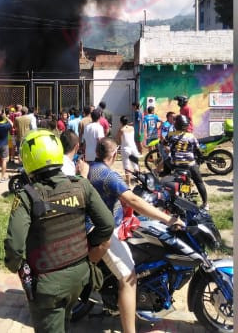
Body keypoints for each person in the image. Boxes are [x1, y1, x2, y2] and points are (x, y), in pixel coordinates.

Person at [4, 130, 114, 333]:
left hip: (48, 284)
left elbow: (14, 246)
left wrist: (16, 266)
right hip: (80, 276)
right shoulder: (81, 185)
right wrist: (86, 245)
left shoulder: (27, 196)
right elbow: (107, 224)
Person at [87, 138, 185, 333]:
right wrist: (168, 219)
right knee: (128, 277)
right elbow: (131, 199)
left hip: (101, 225)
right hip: (100, 231)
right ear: (115, 155)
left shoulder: (91, 167)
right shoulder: (108, 175)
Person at [165, 114, 209, 210]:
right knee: (199, 182)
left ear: (176, 125)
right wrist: (201, 157)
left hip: (176, 165)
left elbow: (164, 143)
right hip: (190, 165)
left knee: (170, 176)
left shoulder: (170, 135)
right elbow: (197, 150)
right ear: (186, 125)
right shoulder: (191, 136)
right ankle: (205, 204)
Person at [116, 116, 140, 188]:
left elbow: (117, 138)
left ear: (121, 122)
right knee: (135, 164)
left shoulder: (121, 129)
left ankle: (128, 183)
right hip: (133, 147)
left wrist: (120, 144)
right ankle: (138, 180)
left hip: (125, 148)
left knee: (127, 166)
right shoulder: (132, 128)